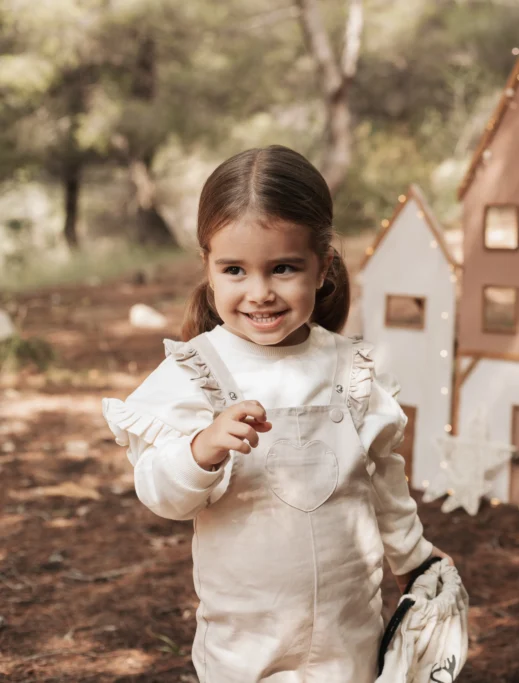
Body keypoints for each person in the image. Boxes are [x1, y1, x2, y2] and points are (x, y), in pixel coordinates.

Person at [101, 145, 450, 682]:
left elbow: (384, 479)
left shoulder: (350, 368)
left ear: (321, 267)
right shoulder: (199, 370)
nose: (259, 293)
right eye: (235, 270)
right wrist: (201, 451)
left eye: (283, 268)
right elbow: (161, 493)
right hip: (245, 641)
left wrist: (414, 560)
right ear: (208, 268)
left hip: (348, 628)